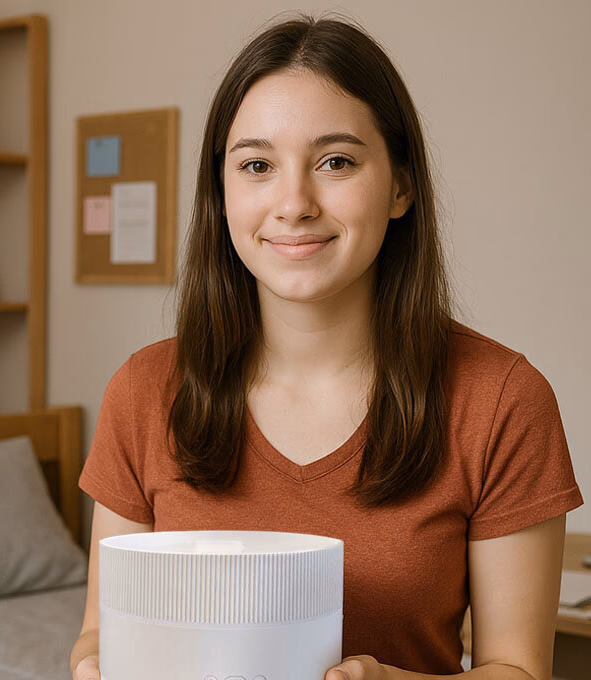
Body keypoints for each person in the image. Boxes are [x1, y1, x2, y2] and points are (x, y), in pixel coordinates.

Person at [69, 11, 584, 680]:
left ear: (400, 185)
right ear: (221, 193)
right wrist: (92, 669)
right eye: (256, 165)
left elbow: (518, 669)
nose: (293, 203)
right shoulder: (143, 390)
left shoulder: (502, 399)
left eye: (335, 161)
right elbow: (97, 638)